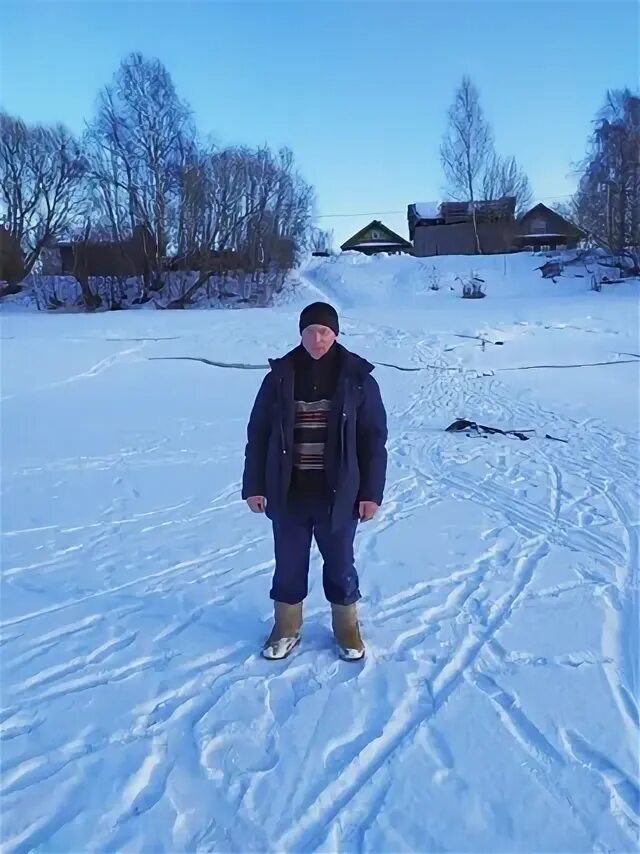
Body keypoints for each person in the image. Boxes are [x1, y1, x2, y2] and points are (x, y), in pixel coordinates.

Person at [242, 301, 388, 661]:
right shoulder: (279, 377)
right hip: (287, 490)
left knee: (340, 563)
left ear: (336, 334)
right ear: (301, 333)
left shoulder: (358, 379)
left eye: (325, 331)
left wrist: (371, 493)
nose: (318, 338)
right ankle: (286, 628)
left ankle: (347, 628)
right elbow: (258, 433)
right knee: (289, 562)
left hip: (339, 494)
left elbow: (373, 440)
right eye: (311, 331)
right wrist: (254, 485)